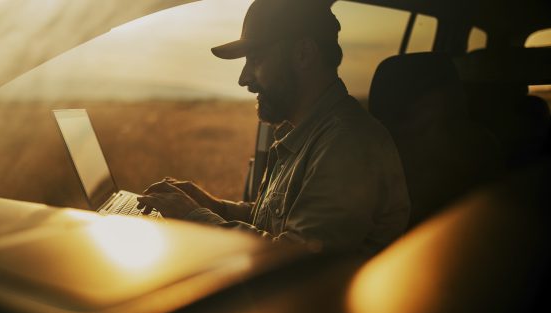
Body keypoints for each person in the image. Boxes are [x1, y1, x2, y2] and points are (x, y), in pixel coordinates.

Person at [137, 0, 410, 255]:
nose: (244, 79)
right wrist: (214, 206)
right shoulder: (307, 134)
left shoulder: (347, 144)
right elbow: (279, 221)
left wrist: (192, 216)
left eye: (255, 59)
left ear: (303, 54)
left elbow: (298, 260)